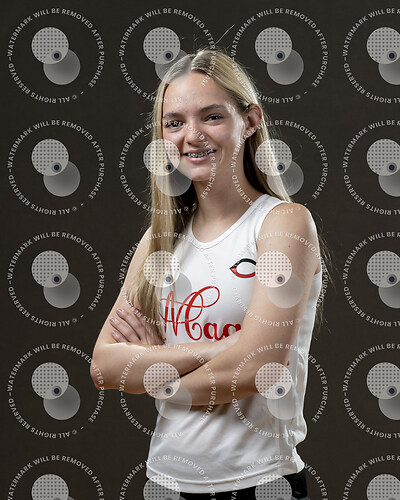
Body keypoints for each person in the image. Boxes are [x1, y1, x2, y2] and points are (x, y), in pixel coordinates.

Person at [90, 47, 330, 500]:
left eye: (212, 116)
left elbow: (258, 368)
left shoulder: (282, 224)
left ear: (250, 120)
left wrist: (156, 371)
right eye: (174, 123)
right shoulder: (160, 241)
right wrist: (224, 347)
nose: (192, 136)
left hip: (259, 485)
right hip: (164, 483)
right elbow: (104, 367)